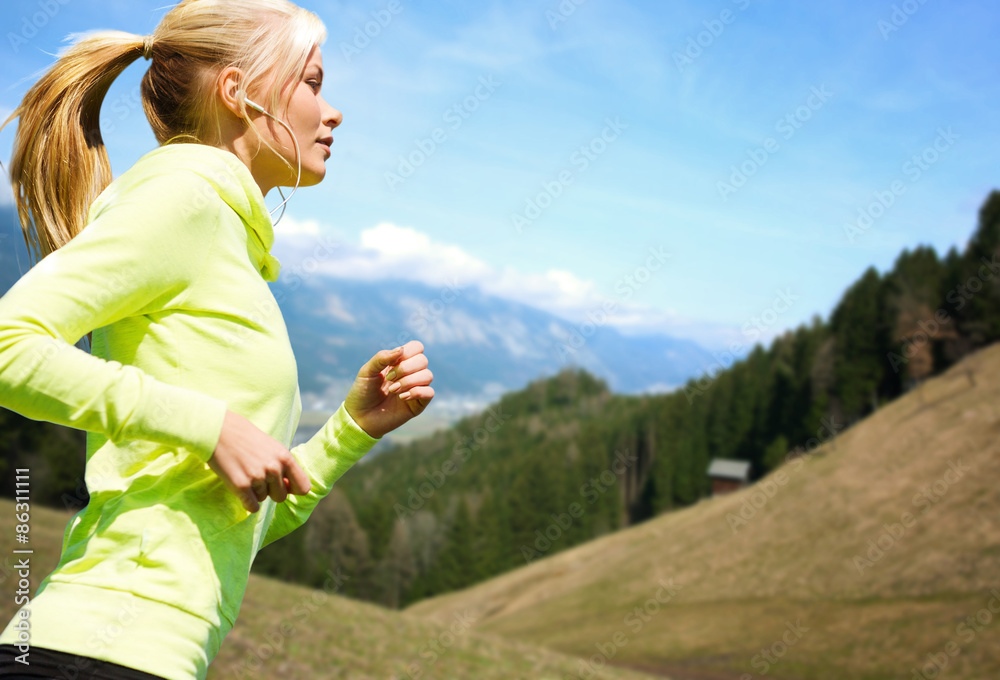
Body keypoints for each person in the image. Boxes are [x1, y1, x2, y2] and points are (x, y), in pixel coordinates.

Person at [0, 1, 434, 678]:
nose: (334, 111)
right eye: (312, 82)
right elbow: (9, 347)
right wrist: (209, 426)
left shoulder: (227, 234)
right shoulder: (184, 202)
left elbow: (243, 517)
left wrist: (351, 429)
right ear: (238, 93)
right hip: (92, 652)